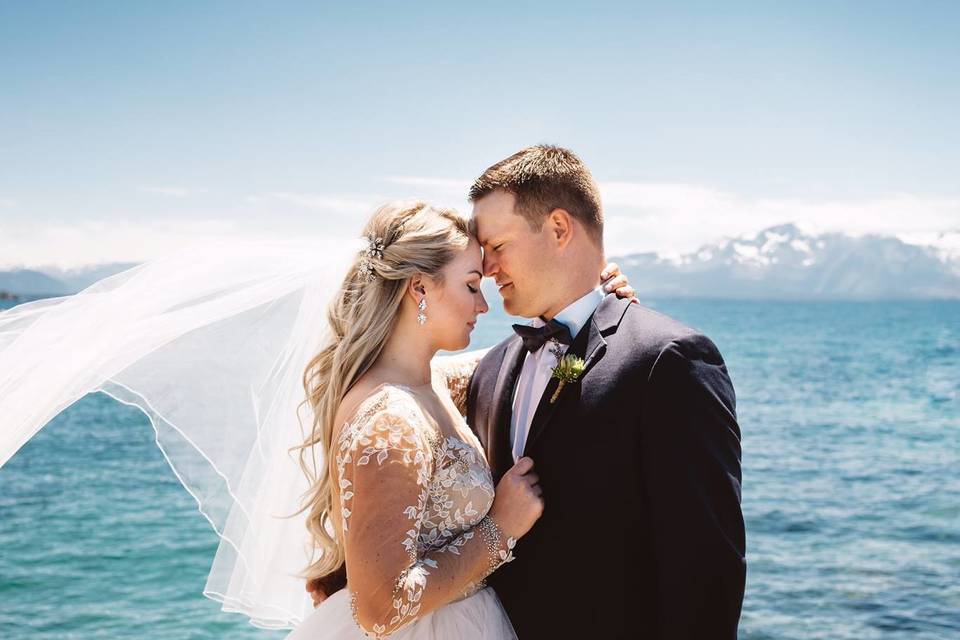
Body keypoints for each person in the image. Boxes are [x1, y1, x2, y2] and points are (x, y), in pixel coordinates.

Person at [311, 144, 746, 638]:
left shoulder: (667, 361)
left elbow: (706, 572)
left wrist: (611, 307)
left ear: (560, 229)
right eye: (475, 276)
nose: (490, 274)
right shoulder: (485, 373)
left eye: (496, 247)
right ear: (419, 289)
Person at [288, 199, 636, 639]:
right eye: (472, 286)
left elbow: (530, 359)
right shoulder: (391, 418)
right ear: (419, 289)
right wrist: (500, 528)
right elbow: (379, 608)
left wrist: (592, 299)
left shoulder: (431, 381)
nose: (483, 306)